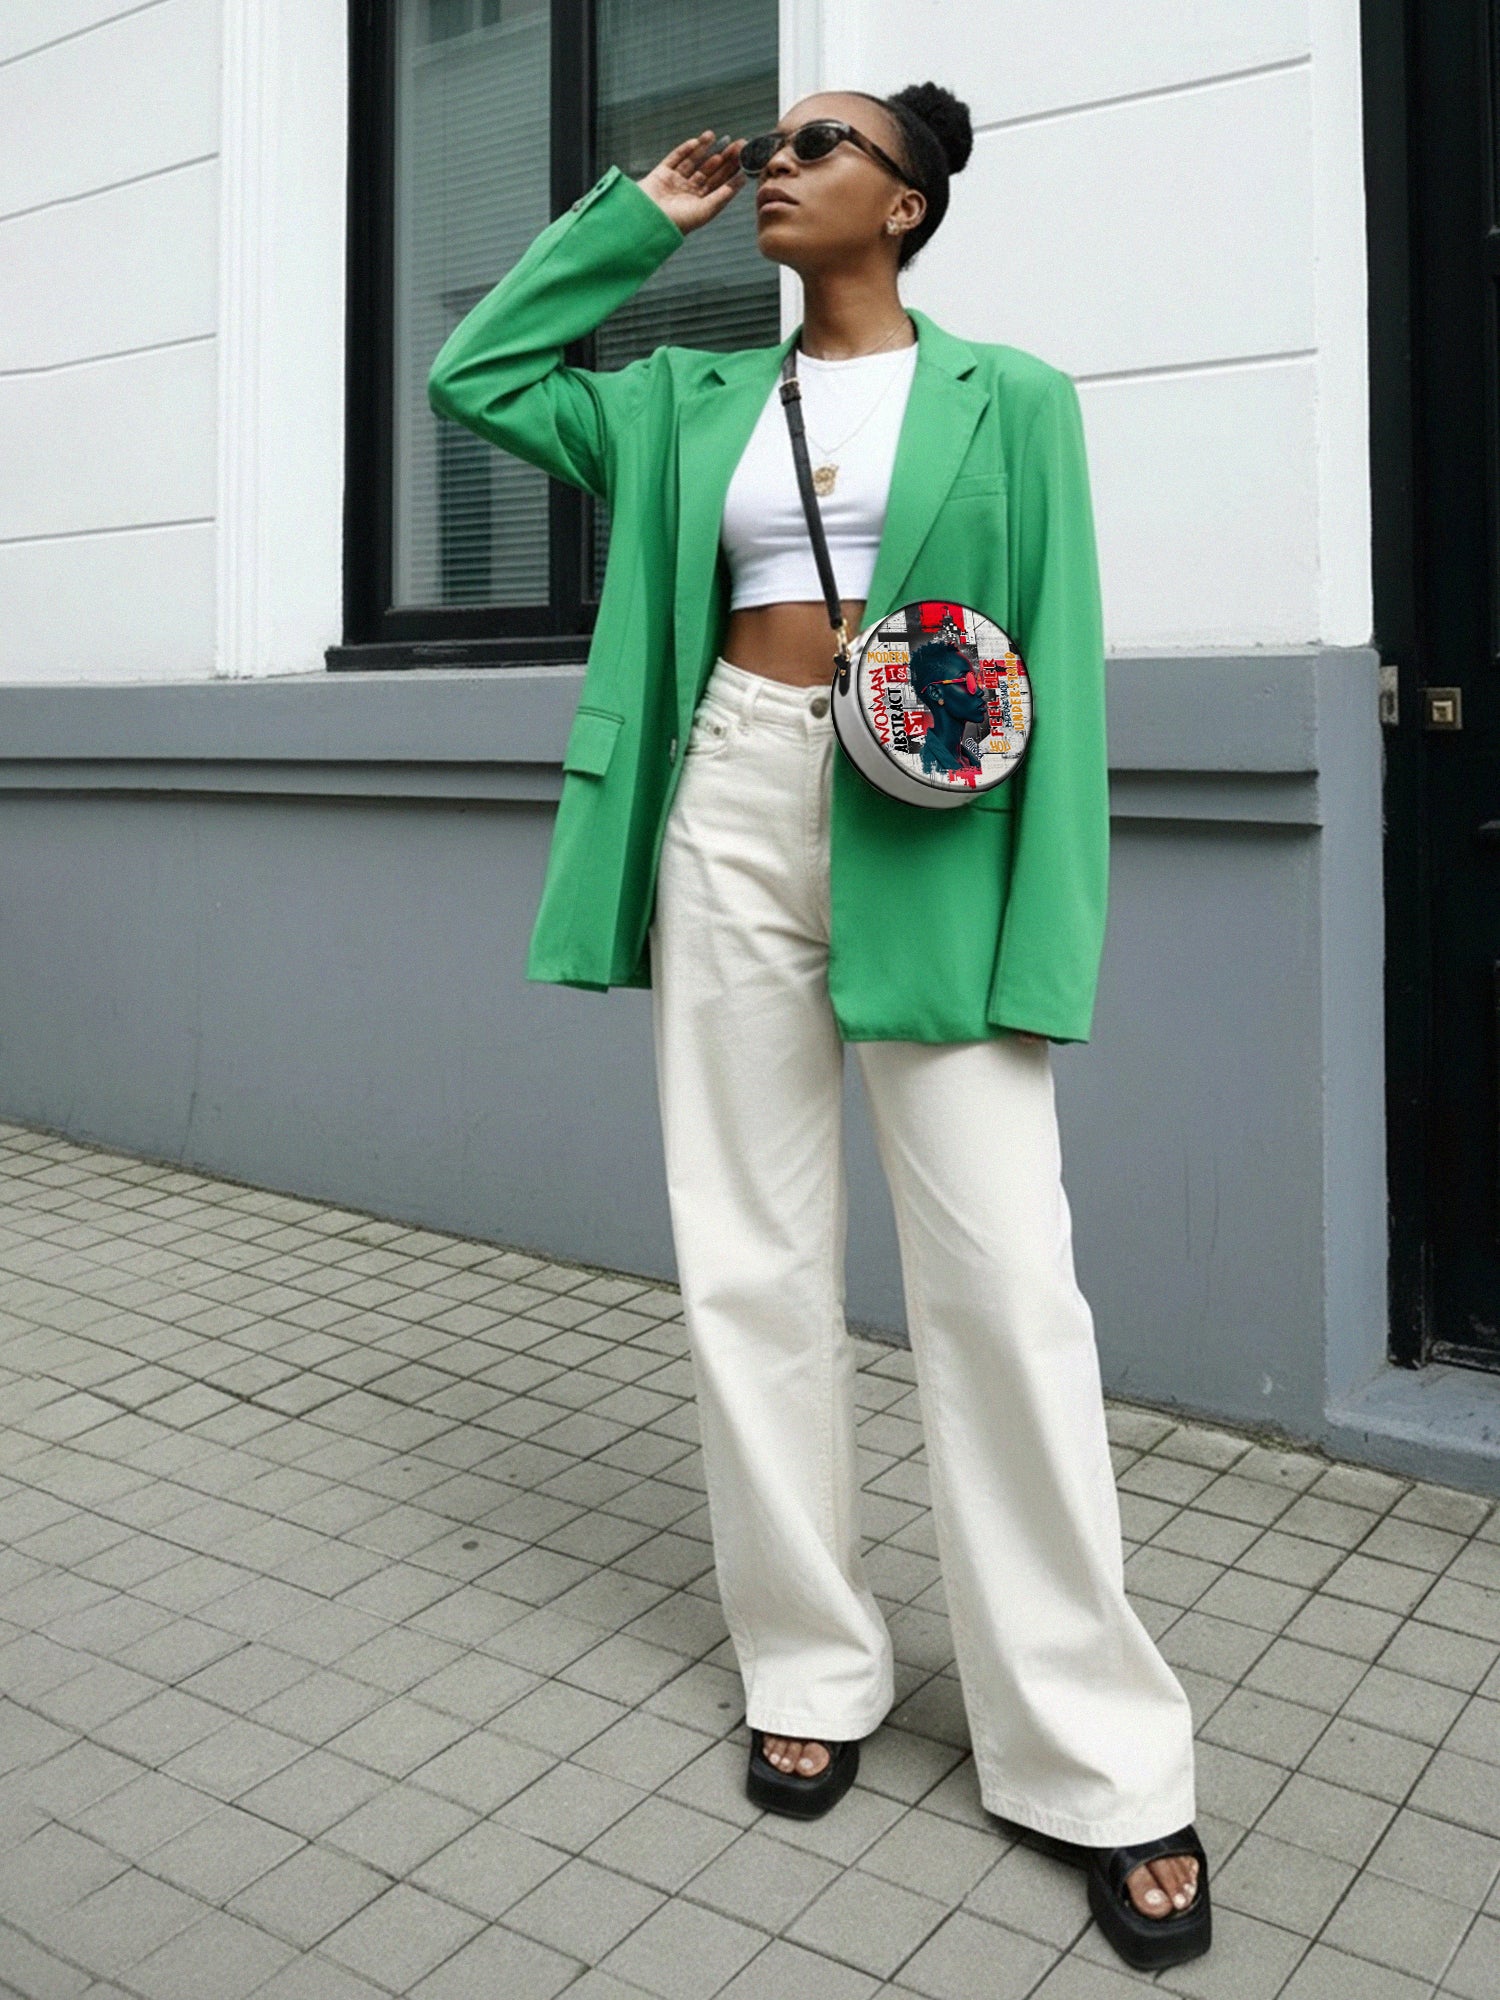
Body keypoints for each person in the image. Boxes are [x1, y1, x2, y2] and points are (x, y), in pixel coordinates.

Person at [428, 80, 1210, 1971]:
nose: (777, 165)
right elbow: (476, 374)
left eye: (820, 146)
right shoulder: (683, 399)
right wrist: (639, 224)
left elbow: (1066, 676)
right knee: (750, 1262)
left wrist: (1048, 951)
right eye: (769, 147)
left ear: (909, 204)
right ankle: (808, 1661)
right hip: (731, 801)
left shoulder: (1013, 399)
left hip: (932, 825)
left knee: (1005, 1286)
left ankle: (1098, 1760)